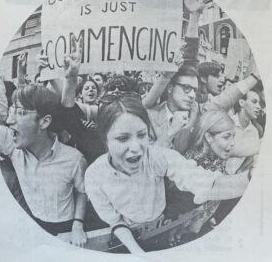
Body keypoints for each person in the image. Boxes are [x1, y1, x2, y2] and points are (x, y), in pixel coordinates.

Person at [84, 93, 252, 253]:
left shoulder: (158, 156)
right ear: (104, 139)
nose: (136, 148)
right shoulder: (94, 176)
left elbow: (209, 184)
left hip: (163, 224)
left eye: (142, 135)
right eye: (122, 138)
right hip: (127, 235)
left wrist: (252, 178)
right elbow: (115, 222)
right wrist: (138, 253)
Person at [0, 84, 88, 247]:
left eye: (21, 113)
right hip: (34, 224)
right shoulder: (13, 146)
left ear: (44, 122)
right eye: (11, 111)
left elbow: (82, 192)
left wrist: (78, 224)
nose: (9, 121)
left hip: (66, 228)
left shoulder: (74, 159)